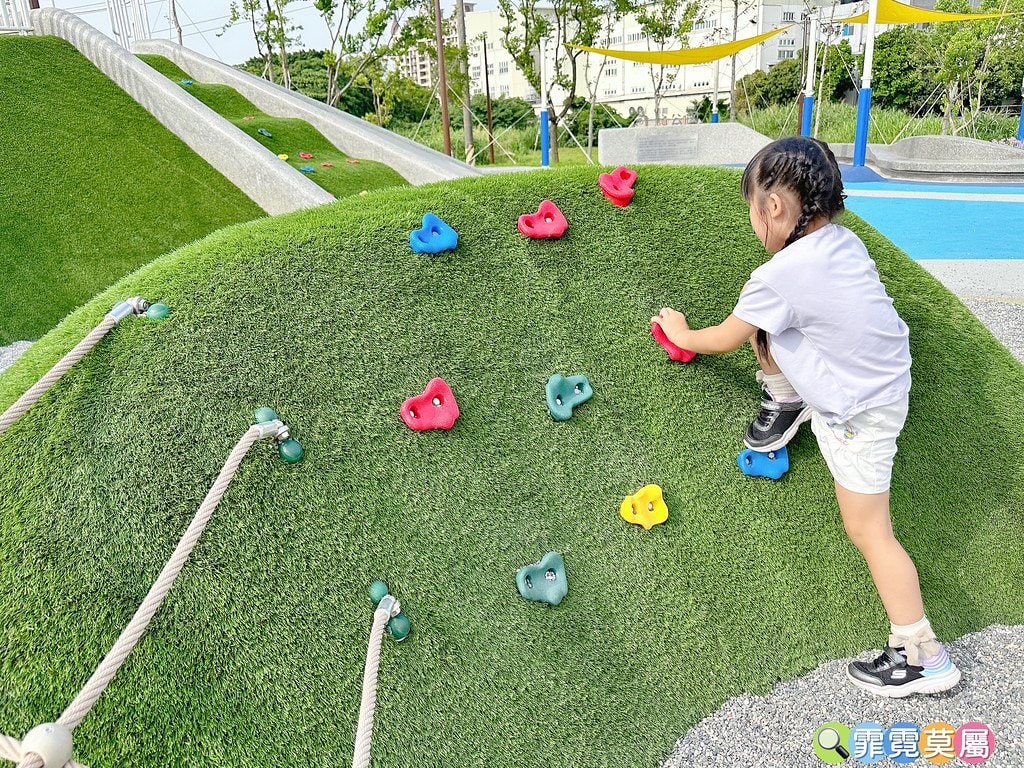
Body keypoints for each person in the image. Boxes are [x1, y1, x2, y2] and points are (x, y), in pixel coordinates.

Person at [653, 136, 960, 698]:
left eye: (752, 210)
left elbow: (725, 336)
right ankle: (787, 397)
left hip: (858, 411)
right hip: (883, 382)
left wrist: (680, 333)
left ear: (773, 208)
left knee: (869, 530)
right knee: (771, 323)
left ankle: (922, 656)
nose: (753, 223)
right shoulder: (843, 241)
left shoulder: (780, 275)